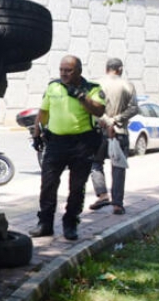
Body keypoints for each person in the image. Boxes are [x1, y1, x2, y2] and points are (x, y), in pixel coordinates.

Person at [29, 55, 105, 241]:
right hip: (55, 144)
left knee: (77, 187)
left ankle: (70, 223)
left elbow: (99, 110)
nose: (64, 73)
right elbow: (44, 111)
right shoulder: (53, 86)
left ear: (78, 70)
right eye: (61, 69)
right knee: (48, 185)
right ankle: (45, 224)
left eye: (68, 70)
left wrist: (81, 96)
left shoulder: (92, 89)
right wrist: (37, 131)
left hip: (82, 144)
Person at [88, 58, 138, 216]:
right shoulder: (127, 85)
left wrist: (105, 121)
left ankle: (102, 195)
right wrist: (115, 120)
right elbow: (134, 108)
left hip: (98, 131)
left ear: (106, 68)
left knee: (95, 163)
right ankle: (117, 204)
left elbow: (90, 108)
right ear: (120, 69)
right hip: (120, 131)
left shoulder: (96, 85)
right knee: (118, 168)